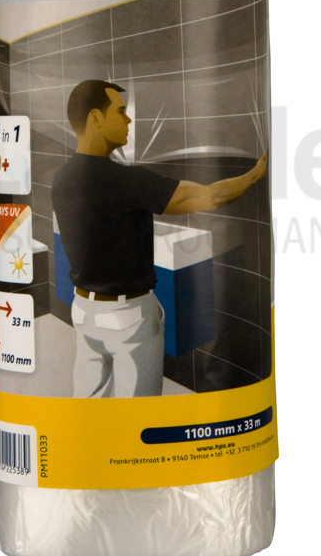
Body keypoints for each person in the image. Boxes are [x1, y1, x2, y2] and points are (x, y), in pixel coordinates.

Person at [51, 80, 267, 398]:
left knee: (90, 405)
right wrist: (254, 174)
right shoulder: (126, 180)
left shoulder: (61, 178)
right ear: (96, 118)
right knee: (139, 413)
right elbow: (209, 196)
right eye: (120, 112)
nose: (128, 119)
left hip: (83, 311)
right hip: (128, 318)